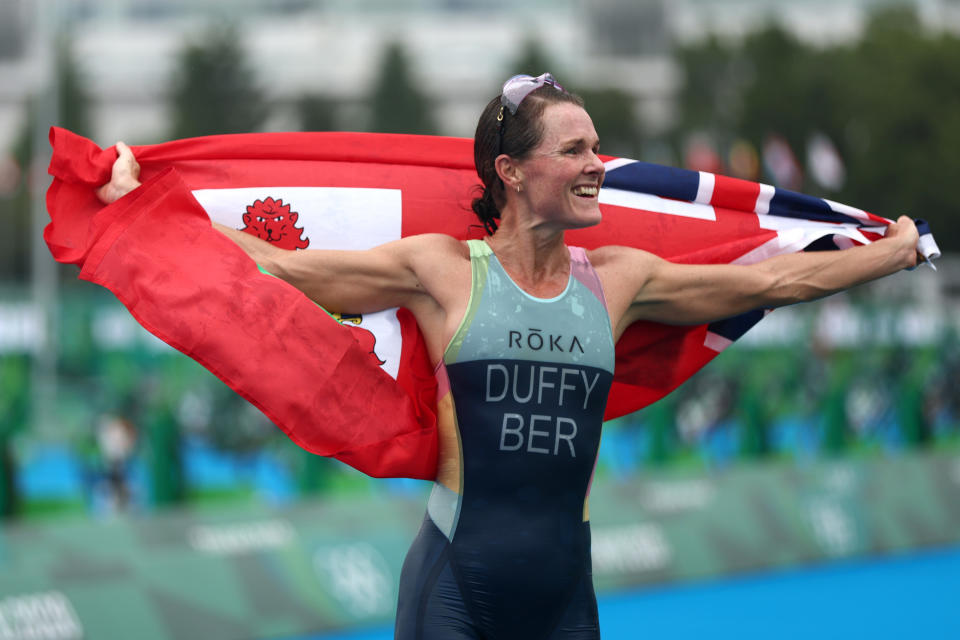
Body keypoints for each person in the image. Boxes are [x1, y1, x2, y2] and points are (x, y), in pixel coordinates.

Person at [97, 73, 921, 639]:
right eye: (574, 151)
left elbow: (776, 276)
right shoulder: (440, 271)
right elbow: (278, 268)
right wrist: (148, 204)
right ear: (513, 172)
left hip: (566, 595)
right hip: (455, 585)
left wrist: (890, 254)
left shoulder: (624, 281)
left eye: (596, 147)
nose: (597, 165)